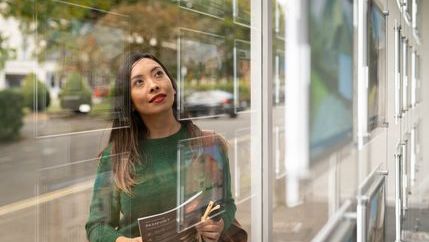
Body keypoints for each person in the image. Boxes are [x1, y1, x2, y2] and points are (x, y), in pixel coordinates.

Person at [85, 52, 236, 242]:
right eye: (139, 82)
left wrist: (220, 225)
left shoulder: (209, 144)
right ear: (130, 102)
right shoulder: (116, 156)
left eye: (158, 74)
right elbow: (97, 226)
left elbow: (227, 204)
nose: (154, 85)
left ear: (172, 87)